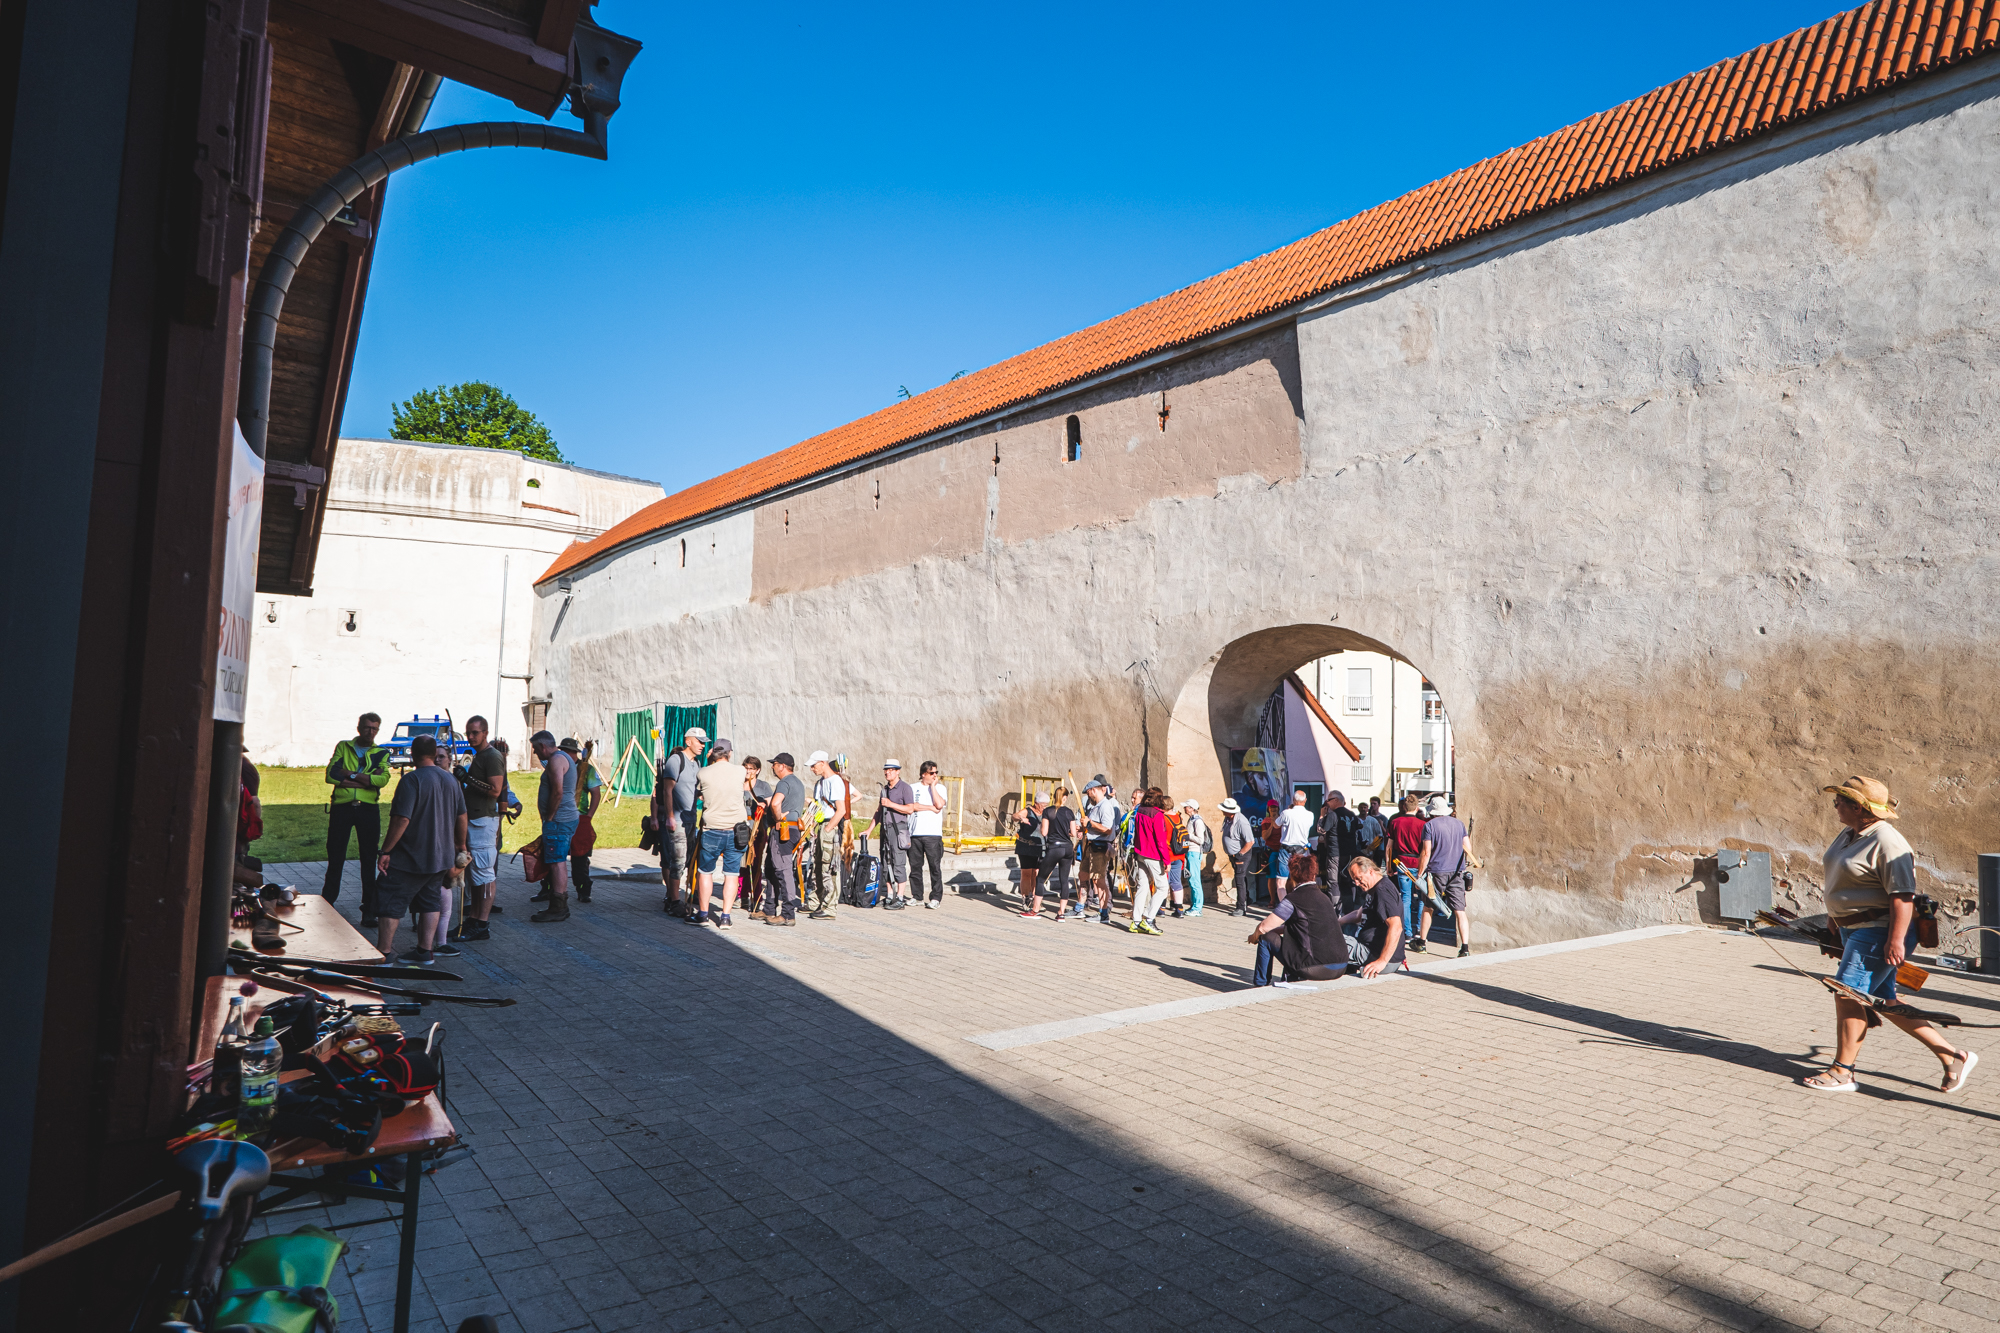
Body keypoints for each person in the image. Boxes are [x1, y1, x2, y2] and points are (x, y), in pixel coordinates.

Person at [1803, 776, 1977, 1094]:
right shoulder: (1849, 833)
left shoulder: (1887, 841)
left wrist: (1895, 941)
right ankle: (1953, 1056)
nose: (1835, 805)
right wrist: (1834, 916)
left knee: (1847, 994)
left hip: (1879, 931)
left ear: (1859, 807)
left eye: (1840, 801)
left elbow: (1902, 896)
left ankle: (1843, 1072)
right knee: (1885, 1002)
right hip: (1853, 928)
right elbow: (1840, 877)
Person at [372, 735, 467, 963]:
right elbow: (462, 816)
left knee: (391, 900)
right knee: (430, 901)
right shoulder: (451, 780)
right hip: (441, 857)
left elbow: (402, 819)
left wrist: (386, 851)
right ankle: (425, 951)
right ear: (434, 754)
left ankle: (384, 954)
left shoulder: (411, 780)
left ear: (412, 754)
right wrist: (461, 845)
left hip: (411, 856)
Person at [323, 712, 391, 921]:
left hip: (368, 809)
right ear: (359, 728)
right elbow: (331, 774)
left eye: (375, 729)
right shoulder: (344, 747)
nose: (371, 732)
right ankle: (327, 903)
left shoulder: (381, 752)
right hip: (342, 807)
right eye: (367, 728)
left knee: (369, 859)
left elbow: (382, 780)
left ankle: (369, 909)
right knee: (336, 857)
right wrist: (365, 780)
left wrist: (349, 774)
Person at [1246, 852, 1347, 985]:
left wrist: (1254, 937)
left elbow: (1263, 927)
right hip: (1340, 965)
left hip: (1315, 967)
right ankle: (1289, 979)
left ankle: (1260, 984)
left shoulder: (1293, 899)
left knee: (1266, 938)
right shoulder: (1324, 898)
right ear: (1314, 875)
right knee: (1291, 941)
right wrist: (1275, 930)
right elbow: (1301, 927)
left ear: (1292, 875)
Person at [453, 716, 505, 943]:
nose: (470, 737)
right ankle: (473, 919)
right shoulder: (478, 756)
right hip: (474, 819)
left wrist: (468, 778)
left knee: (484, 873)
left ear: (485, 733)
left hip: (484, 821)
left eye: (475, 732)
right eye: (468, 733)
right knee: (475, 873)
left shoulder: (492, 756)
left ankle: (482, 923)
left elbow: (495, 790)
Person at [690, 738, 748, 927]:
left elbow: (702, 788)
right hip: (736, 830)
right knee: (731, 874)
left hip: (712, 829)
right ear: (730, 753)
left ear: (712, 752)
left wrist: (709, 760)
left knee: (705, 872)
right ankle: (725, 917)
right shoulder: (740, 771)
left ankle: (703, 914)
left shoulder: (703, 772)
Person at [528, 730, 579, 923]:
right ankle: (559, 904)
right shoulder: (562, 757)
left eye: (535, 748)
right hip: (562, 819)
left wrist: (549, 817)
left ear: (543, 746)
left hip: (559, 821)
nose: (535, 752)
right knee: (558, 860)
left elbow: (557, 792)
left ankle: (558, 907)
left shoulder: (556, 760)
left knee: (557, 862)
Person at [654, 726, 706, 915]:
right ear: (688, 741)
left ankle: (674, 897)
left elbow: (693, 791)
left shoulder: (696, 763)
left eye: (704, 742)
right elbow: (667, 790)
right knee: (677, 861)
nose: (702, 745)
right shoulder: (676, 760)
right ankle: (674, 902)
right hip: (677, 820)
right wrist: (669, 817)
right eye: (699, 741)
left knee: (686, 861)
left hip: (691, 820)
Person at [1416, 795, 1474, 957]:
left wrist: (1419, 875)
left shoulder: (1429, 826)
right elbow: (1468, 848)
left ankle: (1422, 942)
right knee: (1460, 910)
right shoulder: (1459, 824)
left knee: (1428, 907)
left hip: (1436, 871)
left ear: (1432, 811)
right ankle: (1465, 948)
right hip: (1456, 871)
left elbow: (1426, 852)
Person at [555, 738, 602, 904]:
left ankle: (583, 890)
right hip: (559, 817)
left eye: (565, 751)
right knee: (553, 855)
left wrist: (589, 816)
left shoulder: (586, 769)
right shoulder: (558, 766)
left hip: (579, 817)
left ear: (573, 753)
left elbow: (596, 793)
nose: (562, 754)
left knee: (580, 857)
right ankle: (549, 889)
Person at [805, 751, 850, 919]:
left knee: (829, 868)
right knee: (816, 866)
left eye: (814, 765)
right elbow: (817, 806)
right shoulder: (820, 783)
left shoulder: (835, 781)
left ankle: (830, 907)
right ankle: (815, 902)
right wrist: (812, 825)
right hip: (820, 826)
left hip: (829, 826)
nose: (812, 769)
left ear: (823, 763)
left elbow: (841, 810)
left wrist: (828, 829)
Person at [762, 753, 805, 927]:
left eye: (774, 764)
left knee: (783, 871)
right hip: (793, 830)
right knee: (771, 869)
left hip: (783, 831)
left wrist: (778, 817)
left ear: (782, 766)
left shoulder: (784, 782)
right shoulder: (798, 783)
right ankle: (769, 909)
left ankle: (787, 914)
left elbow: (775, 803)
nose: (772, 767)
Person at [1347, 856, 1407, 978]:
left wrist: (1382, 961)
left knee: (1333, 941)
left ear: (1370, 871)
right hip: (1372, 951)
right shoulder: (1373, 888)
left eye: (1359, 878)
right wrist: (1336, 922)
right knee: (1339, 933)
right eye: (1354, 880)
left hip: (1377, 956)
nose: (1357, 883)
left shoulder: (1382, 891)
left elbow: (1396, 927)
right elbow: (1358, 914)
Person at [1385, 794, 1431, 950]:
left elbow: (1389, 847)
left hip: (1402, 862)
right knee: (1422, 898)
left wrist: (1388, 865)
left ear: (1404, 807)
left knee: (1405, 897)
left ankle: (1407, 933)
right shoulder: (1423, 824)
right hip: (1418, 863)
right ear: (1417, 808)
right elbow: (1426, 849)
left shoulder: (1395, 822)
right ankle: (1420, 930)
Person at [1126, 788, 1174, 935]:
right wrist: (1166, 860)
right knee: (1163, 887)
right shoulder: (1157, 814)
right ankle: (1148, 918)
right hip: (1153, 854)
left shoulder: (1140, 811)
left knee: (1142, 886)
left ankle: (1136, 921)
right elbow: (1160, 840)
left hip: (1140, 852)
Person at [875, 761, 917, 910]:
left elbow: (910, 809)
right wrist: (869, 829)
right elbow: (879, 811)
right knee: (886, 862)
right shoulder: (884, 790)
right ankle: (889, 896)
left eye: (891, 770)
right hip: (885, 829)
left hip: (899, 828)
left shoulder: (905, 788)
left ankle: (900, 897)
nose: (888, 773)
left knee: (898, 863)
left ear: (898, 771)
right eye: (886, 770)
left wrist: (890, 804)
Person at [1081, 776, 1122, 924]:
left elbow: (1107, 828)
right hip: (1091, 845)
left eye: (1088, 793)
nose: (1088, 797)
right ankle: (1080, 906)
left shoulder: (1105, 806)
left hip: (1100, 847)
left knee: (1099, 880)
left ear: (1094, 790)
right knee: (1084, 875)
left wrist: (1090, 823)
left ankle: (1104, 913)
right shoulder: (1095, 806)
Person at [909, 761, 949, 908]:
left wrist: (933, 787)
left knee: (934, 867)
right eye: (931, 773)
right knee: (915, 867)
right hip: (915, 833)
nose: (935, 775)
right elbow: (912, 806)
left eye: (936, 773)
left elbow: (939, 805)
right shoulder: (912, 788)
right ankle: (917, 896)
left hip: (933, 835)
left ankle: (936, 898)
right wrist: (929, 808)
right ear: (923, 774)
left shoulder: (940, 788)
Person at [1272, 790, 1315, 902]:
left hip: (1286, 849)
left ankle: (1284, 907)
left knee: (1281, 882)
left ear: (1293, 800)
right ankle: (1301, 904)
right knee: (1301, 880)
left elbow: (1276, 825)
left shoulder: (1286, 813)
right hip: (1302, 850)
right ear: (1305, 800)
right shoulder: (1310, 815)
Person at [1219, 798, 1254, 915]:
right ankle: (1246, 899)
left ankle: (1241, 907)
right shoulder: (1228, 819)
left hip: (1241, 855)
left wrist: (1240, 854)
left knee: (1239, 879)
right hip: (1234, 855)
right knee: (1241, 878)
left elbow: (1250, 841)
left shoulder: (1242, 822)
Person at [1014, 792, 1046, 919]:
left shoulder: (1045, 812)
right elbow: (1015, 816)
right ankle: (1026, 898)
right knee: (1026, 873)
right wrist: (1021, 818)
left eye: (1046, 805)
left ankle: (1034, 899)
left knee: (1036, 873)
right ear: (1036, 803)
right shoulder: (1028, 811)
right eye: (1042, 805)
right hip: (1026, 847)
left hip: (1040, 847)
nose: (1044, 807)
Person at [1180, 798, 1210, 916]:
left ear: (1192, 808)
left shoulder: (1198, 821)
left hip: (1194, 852)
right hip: (1190, 852)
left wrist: (1188, 835)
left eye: (1186, 807)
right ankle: (1194, 906)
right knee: (1191, 879)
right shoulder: (1191, 820)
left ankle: (1197, 908)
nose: (1184, 808)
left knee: (1194, 880)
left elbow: (1200, 840)